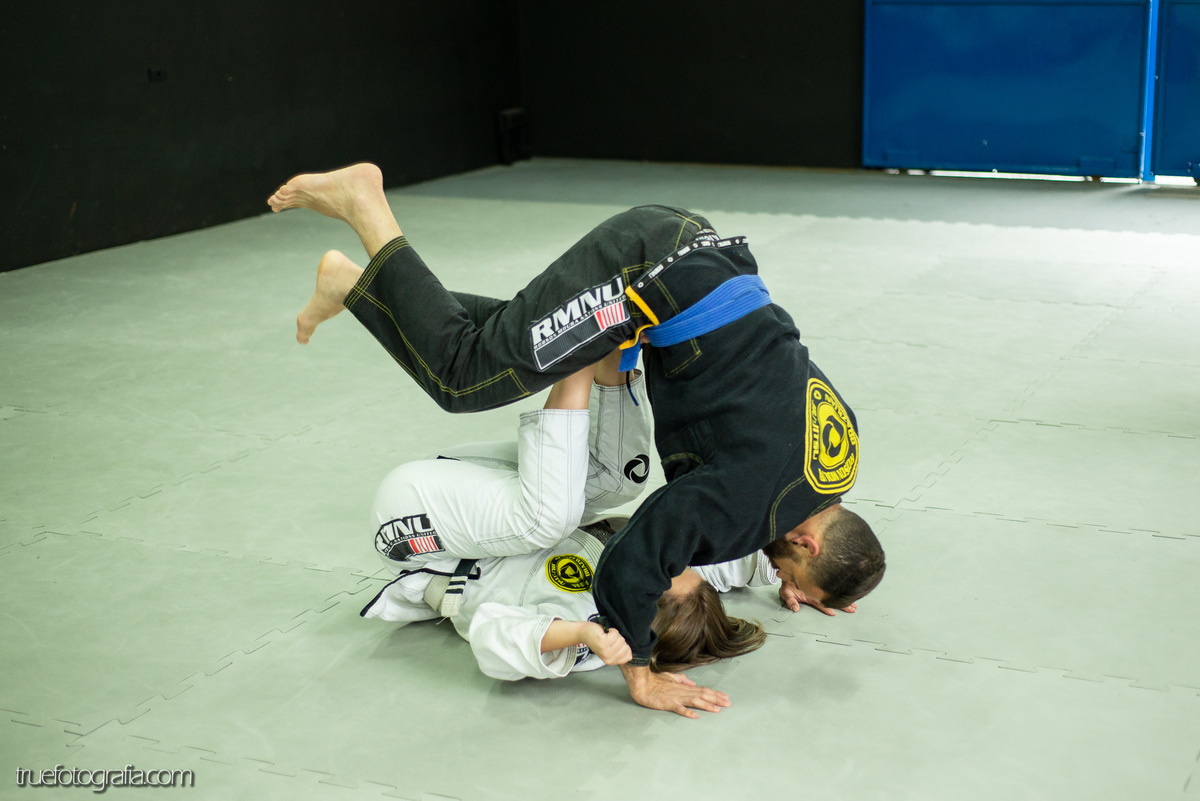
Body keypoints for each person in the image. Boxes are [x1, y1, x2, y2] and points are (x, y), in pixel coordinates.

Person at [268, 163, 886, 717]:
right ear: (807, 541)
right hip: (646, 277)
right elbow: (633, 563)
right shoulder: (752, 502)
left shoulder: (836, 459)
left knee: (514, 350)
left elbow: (768, 503)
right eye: (789, 569)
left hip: (689, 251)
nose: (778, 571)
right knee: (462, 376)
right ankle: (365, 205)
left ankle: (356, 287)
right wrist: (639, 673)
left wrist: (799, 576)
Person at [359, 356, 772, 715]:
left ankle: (578, 349)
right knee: (622, 479)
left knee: (549, 518)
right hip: (484, 487)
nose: (661, 559)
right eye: (672, 565)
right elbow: (737, 558)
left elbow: (491, 638)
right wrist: (791, 569)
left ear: (634, 611)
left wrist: (580, 634)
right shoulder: (677, 581)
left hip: (417, 530)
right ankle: (611, 343)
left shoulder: (588, 628)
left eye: (659, 574)